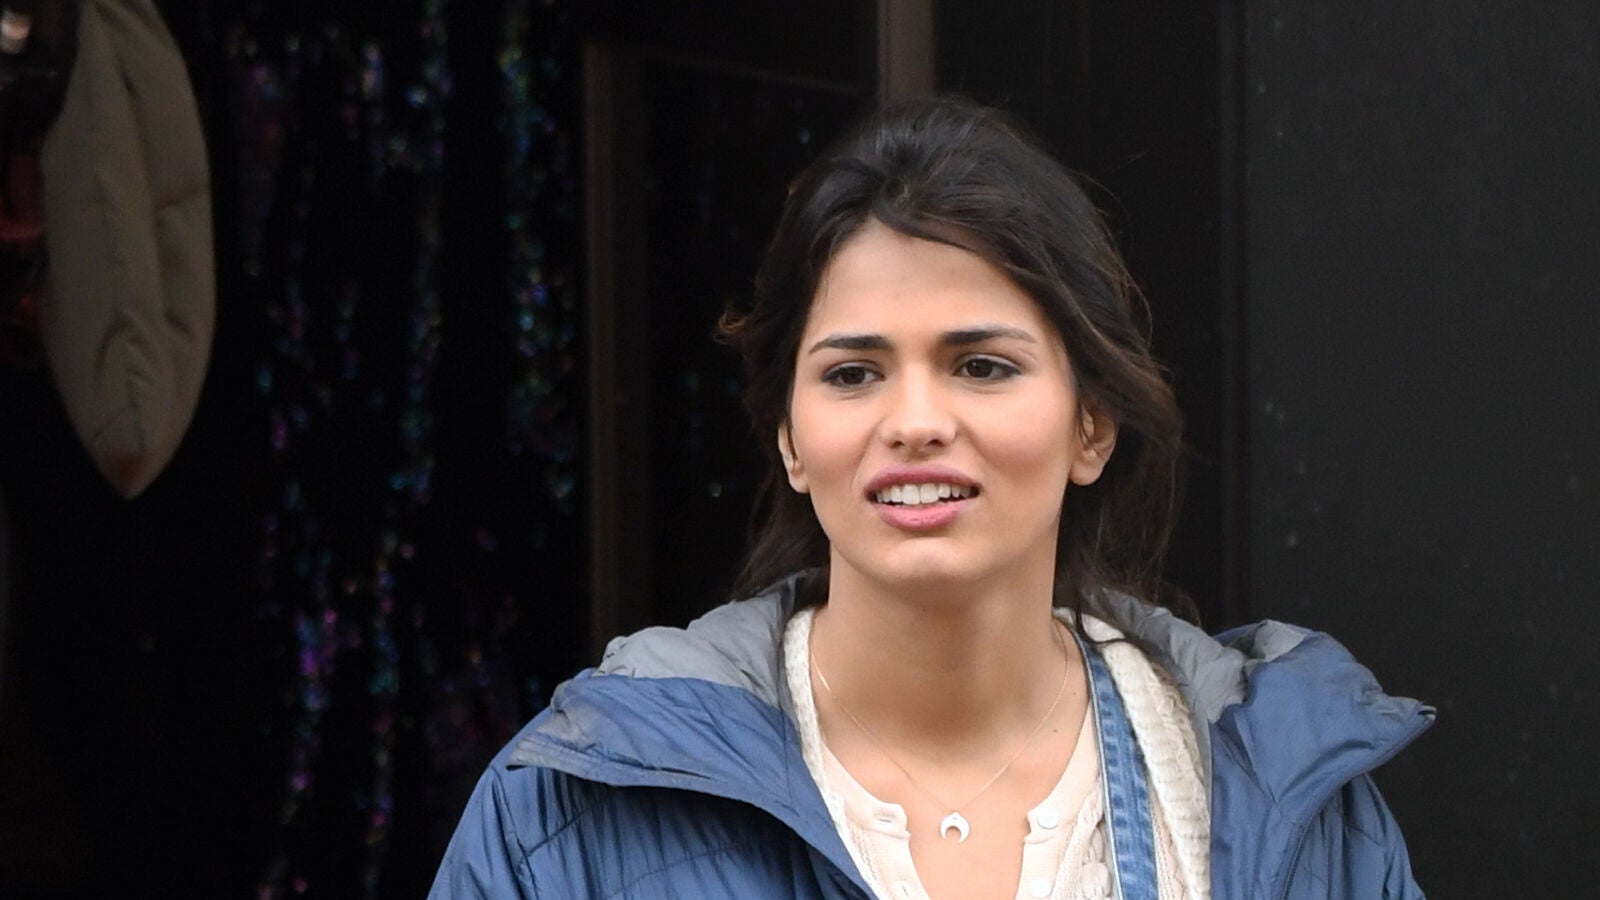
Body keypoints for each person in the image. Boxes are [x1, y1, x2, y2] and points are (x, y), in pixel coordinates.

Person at [430, 95, 1432, 899]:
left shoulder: (1284, 798)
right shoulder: (576, 806)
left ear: (1092, 426)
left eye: (982, 366)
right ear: (789, 437)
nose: (913, 421)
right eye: (852, 374)